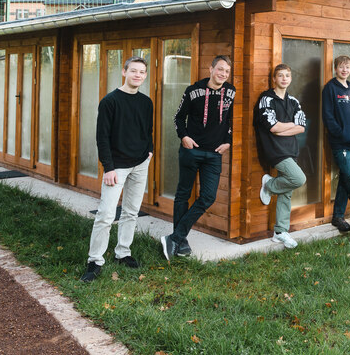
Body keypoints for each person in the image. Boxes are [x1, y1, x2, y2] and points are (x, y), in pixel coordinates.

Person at [81, 57, 154, 282]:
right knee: (106, 214)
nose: (138, 75)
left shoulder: (146, 102)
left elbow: (147, 130)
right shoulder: (109, 101)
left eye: (142, 72)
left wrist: (149, 152)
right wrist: (109, 167)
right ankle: (95, 261)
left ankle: (123, 252)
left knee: (131, 211)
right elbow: (102, 137)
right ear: (124, 72)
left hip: (140, 163)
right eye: (134, 71)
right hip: (117, 167)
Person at [161, 55, 235, 261]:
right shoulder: (193, 91)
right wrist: (183, 136)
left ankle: (175, 237)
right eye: (220, 69)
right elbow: (178, 117)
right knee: (183, 193)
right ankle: (180, 241)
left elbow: (229, 120)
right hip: (191, 150)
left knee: (208, 196)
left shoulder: (231, 92)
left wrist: (228, 140)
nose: (223, 74)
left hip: (214, 154)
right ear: (211, 69)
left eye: (227, 72)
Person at [255, 63, 307, 249]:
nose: (284, 78)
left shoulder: (293, 101)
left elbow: (301, 126)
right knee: (298, 178)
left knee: (287, 191)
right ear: (274, 79)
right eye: (280, 75)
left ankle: (280, 232)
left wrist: (282, 128)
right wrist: (288, 126)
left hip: (290, 149)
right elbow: (273, 128)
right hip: (274, 150)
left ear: (290, 79)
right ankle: (269, 185)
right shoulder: (266, 99)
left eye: (287, 75)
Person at [322, 55, 350, 232]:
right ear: (335, 69)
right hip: (340, 142)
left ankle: (338, 217)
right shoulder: (330, 88)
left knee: (345, 178)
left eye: (347, 67)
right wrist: (340, 134)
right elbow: (328, 116)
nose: (344, 70)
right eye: (341, 67)